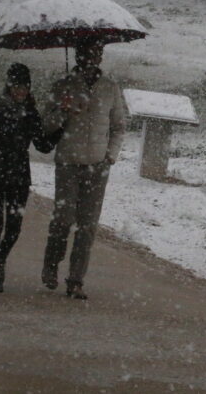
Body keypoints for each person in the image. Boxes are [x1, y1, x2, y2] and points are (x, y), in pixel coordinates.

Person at [41, 40, 127, 300]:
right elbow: (46, 126)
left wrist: (109, 157)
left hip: (97, 166)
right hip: (68, 164)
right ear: (77, 55)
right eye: (85, 53)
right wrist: (63, 110)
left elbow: (119, 126)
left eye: (95, 53)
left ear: (101, 56)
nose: (90, 58)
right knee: (63, 221)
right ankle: (51, 265)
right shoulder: (62, 86)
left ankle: (76, 280)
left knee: (87, 226)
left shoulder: (110, 88)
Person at [0, 63, 59, 293]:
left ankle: (0, 257)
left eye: (25, 87)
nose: (21, 91)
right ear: (9, 87)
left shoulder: (31, 114)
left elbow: (43, 145)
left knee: (15, 227)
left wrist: (61, 125)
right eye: (17, 86)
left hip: (19, 177)